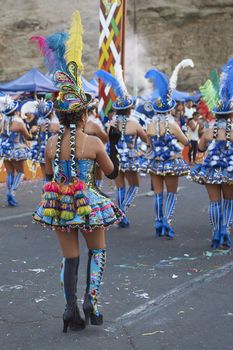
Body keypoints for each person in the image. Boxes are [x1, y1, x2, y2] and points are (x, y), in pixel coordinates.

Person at [33, 11, 122, 333]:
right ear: (84, 113)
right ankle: (91, 302)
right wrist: (112, 144)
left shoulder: (50, 143)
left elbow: (47, 176)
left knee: (69, 258)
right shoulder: (93, 142)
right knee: (97, 251)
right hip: (89, 202)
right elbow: (111, 174)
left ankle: (70, 308)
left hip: (58, 202)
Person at [144, 60, 193, 237]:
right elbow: (186, 142)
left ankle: (158, 223)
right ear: (169, 109)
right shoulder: (172, 125)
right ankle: (167, 223)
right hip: (171, 162)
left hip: (156, 162)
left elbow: (149, 145)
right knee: (171, 194)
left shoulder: (149, 125)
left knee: (158, 194)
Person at [96, 65, 147, 228]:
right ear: (130, 110)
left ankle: (120, 215)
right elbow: (147, 141)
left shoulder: (110, 123)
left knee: (120, 186)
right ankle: (122, 212)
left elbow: (107, 139)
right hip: (131, 158)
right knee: (134, 185)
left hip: (115, 157)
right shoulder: (135, 124)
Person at [190, 58, 233, 249]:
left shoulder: (209, 130)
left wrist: (203, 153)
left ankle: (216, 235)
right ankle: (225, 232)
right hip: (230, 170)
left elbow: (200, 148)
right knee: (228, 201)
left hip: (211, 170)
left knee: (214, 202)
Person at [0, 96, 31, 206]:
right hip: (16, 150)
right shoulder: (19, 122)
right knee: (21, 172)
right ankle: (12, 193)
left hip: (4, 150)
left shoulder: (3, 121)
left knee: (9, 172)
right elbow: (27, 137)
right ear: (16, 111)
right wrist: (31, 135)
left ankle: (9, 194)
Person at [29, 100, 60, 179]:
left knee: (45, 176)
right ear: (52, 112)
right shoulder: (56, 125)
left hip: (41, 151)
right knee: (56, 176)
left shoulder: (40, 124)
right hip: (53, 151)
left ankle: (45, 190)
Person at [85, 102, 109, 188]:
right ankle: (97, 191)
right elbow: (105, 138)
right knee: (98, 172)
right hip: (95, 150)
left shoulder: (81, 123)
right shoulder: (95, 123)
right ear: (93, 111)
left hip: (83, 150)